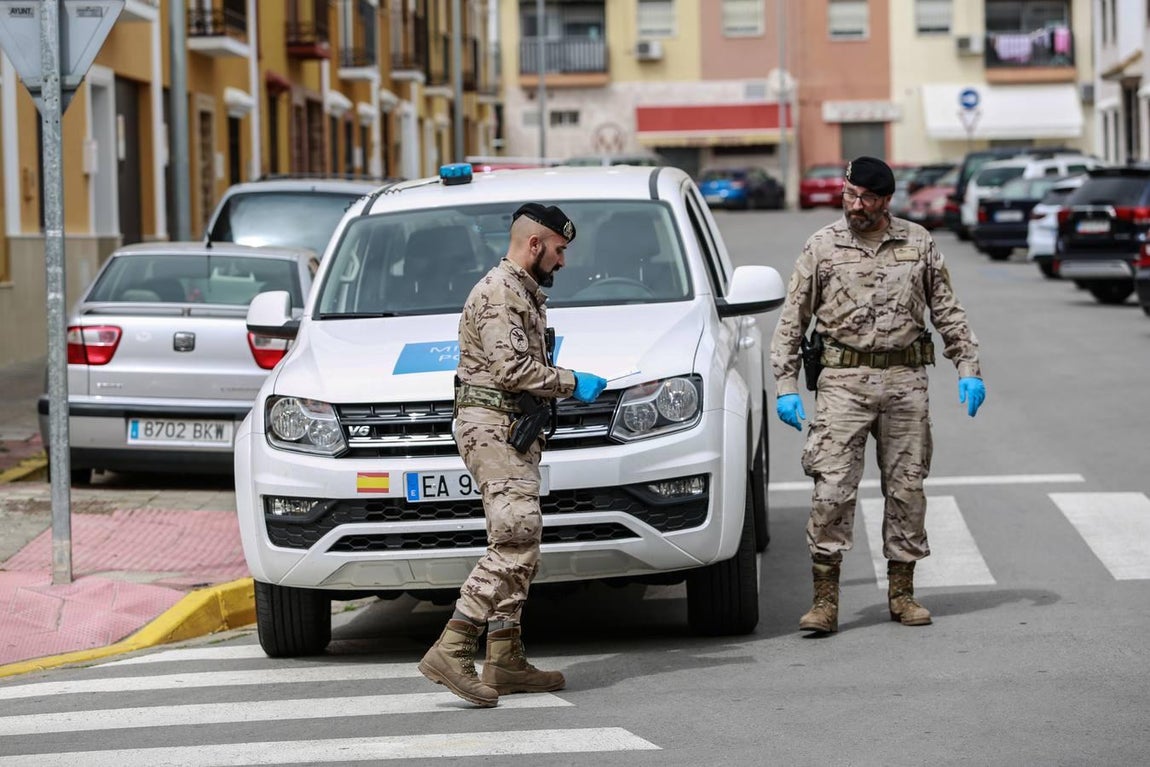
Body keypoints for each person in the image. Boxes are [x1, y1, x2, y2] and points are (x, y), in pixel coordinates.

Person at [769, 156, 986, 635]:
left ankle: (902, 594)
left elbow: (948, 311)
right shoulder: (822, 247)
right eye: (849, 195)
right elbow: (791, 321)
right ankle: (824, 602)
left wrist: (967, 368)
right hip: (842, 384)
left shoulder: (918, 243)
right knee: (831, 490)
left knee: (907, 489)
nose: (856, 206)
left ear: (887, 200)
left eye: (866, 198)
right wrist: (785, 386)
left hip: (905, 382)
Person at [418, 202, 608, 706]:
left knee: (525, 540)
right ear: (535, 244)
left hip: (512, 429)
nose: (564, 261)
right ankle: (454, 645)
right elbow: (512, 371)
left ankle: (504, 656)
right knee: (516, 536)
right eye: (560, 250)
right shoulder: (500, 294)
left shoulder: (524, 292)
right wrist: (573, 383)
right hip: (492, 428)